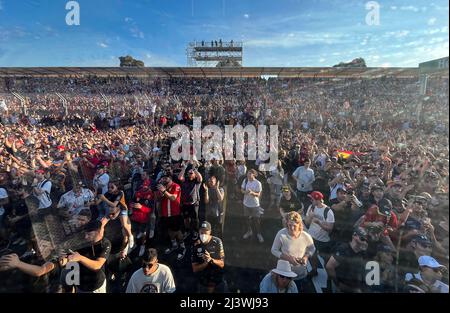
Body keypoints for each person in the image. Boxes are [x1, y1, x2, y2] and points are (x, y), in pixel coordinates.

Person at [271, 211, 315, 291]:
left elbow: (312, 248)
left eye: (294, 226)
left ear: (299, 225)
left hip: (300, 275)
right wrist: (288, 258)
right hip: (284, 276)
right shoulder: (281, 234)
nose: (291, 228)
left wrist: (306, 257)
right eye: (289, 225)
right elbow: (274, 250)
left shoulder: (305, 236)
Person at [65, 219, 111, 293]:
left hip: (96, 286)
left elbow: (97, 265)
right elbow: (68, 255)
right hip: (80, 285)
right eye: (85, 234)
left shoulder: (105, 244)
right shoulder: (81, 241)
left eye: (89, 234)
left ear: (98, 232)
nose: (86, 237)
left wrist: (80, 258)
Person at [325, 227, 369, 293]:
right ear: (354, 236)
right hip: (342, 285)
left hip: (354, 286)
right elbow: (329, 266)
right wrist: (337, 283)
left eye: (366, 240)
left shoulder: (363, 252)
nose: (364, 241)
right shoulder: (343, 249)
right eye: (362, 238)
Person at [96, 182, 134, 254]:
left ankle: (130, 236)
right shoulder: (108, 193)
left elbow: (114, 204)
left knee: (124, 225)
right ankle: (100, 239)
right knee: (102, 222)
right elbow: (97, 202)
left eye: (112, 187)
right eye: (109, 187)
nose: (109, 189)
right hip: (112, 211)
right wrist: (97, 195)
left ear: (117, 187)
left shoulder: (120, 193)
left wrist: (104, 198)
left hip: (122, 209)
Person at [304, 191, 335, 278]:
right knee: (312, 255)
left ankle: (330, 276)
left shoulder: (328, 212)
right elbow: (306, 223)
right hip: (311, 237)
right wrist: (310, 217)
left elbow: (330, 229)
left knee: (326, 259)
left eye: (312, 199)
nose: (310, 200)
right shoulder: (311, 208)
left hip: (323, 241)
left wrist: (319, 223)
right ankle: (314, 270)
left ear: (317, 200)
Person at [191, 221, 226, 293]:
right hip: (203, 279)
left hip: (217, 278)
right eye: (201, 232)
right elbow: (194, 269)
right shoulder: (195, 245)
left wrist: (211, 260)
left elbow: (222, 264)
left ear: (210, 232)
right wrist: (205, 263)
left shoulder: (217, 242)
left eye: (205, 232)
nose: (203, 234)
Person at [157, 175, 185, 261]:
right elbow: (159, 199)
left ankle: (182, 247)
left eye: (166, 178)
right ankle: (174, 244)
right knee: (169, 230)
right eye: (163, 178)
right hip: (165, 214)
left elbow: (173, 198)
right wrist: (161, 193)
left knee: (177, 231)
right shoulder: (162, 187)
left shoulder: (176, 186)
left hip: (175, 213)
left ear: (170, 178)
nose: (163, 179)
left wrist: (164, 191)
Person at [178, 161, 203, 238]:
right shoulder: (185, 180)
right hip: (185, 203)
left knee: (195, 219)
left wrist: (194, 169)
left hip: (194, 203)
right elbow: (180, 177)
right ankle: (187, 230)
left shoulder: (196, 181)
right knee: (186, 219)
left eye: (192, 173)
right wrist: (185, 167)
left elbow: (200, 178)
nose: (190, 173)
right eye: (189, 173)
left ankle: (195, 231)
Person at [241, 169, 264, 243]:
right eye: (247, 173)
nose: (248, 175)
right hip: (246, 204)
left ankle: (259, 234)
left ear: (254, 174)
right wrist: (245, 192)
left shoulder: (258, 183)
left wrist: (252, 193)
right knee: (247, 219)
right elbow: (242, 190)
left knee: (256, 220)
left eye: (249, 174)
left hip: (255, 205)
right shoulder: (245, 180)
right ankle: (249, 231)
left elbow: (258, 194)